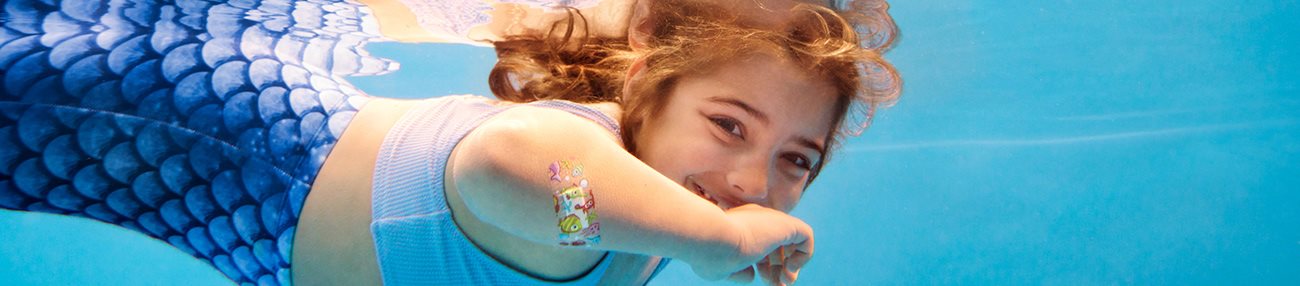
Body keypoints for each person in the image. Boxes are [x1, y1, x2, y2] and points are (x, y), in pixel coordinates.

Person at [0, 0, 899, 285]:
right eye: (729, 125)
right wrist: (713, 237)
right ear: (643, 90)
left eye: (796, 160)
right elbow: (523, 175)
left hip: (244, 221)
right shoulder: (581, 158)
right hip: (216, 129)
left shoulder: (642, 218)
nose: (750, 178)